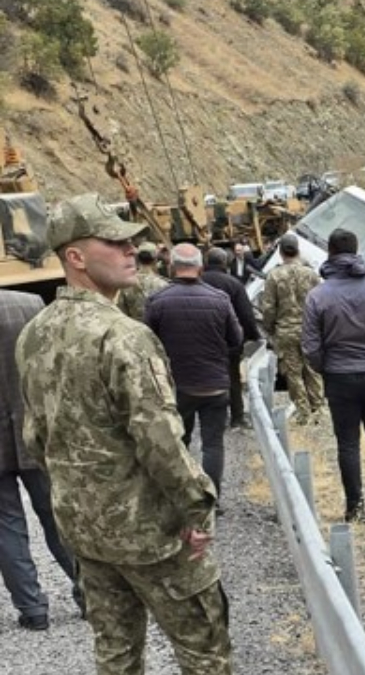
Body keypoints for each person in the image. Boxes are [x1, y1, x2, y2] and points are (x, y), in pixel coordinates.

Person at [16, 194, 230, 673]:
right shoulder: (124, 336)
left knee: (116, 657)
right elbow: (160, 441)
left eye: (130, 242)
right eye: (113, 242)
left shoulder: (34, 333)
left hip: (86, 532)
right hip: (151, 532)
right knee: (205, 653)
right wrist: (198, 509)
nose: (131, 249)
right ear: (75, 257)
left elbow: (37, 436)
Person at [0, 289, 83, 631]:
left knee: (6, 526)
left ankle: (32, 610)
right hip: (37, 429)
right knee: (59, 516)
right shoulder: (30, 303)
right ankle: (90, 595)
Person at [302, 228, 365, 523]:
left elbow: (310, 345)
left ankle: (354, 506)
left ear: (330, 253)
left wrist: (324, 367)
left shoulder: (317, 295)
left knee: (347, 442)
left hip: (339, 374)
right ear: (357, 252)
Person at [146, 244, 243, 499]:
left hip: (178, 386)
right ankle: (211, 498)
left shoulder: (157, 301)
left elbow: (148, 345)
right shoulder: (220, 299)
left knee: (180, 442)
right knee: (213, 444)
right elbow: (236, 339)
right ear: (200, 267)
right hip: (215, 383)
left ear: (171, 267)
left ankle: (184, 496)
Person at [260, 234, 324, 424]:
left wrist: (269, 328)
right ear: (298, 250)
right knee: (312, 369)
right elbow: (320, 303)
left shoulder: (274, 275)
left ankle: (303, 411)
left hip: (286, 330)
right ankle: (318, 408)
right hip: (309, 329)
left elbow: (268, 307)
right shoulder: (311, 275)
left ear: (280, 252)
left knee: (293, 372)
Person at [201, 247, 261, 429]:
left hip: (202, 340)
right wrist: (252, 335)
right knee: (233, 377)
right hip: (229, 339)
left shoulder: (196, 282)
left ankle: (211, 417)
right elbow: (246, 313)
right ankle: (237, 417)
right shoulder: (233, 284)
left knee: (205, 378)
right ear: (225, 263)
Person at [116, 241, 169, 322]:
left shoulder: (127, 284)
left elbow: (121, 310)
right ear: (155, 259)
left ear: (137, 258)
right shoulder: (163, 284)